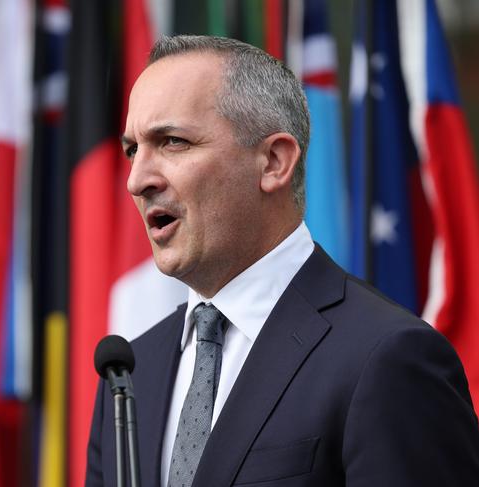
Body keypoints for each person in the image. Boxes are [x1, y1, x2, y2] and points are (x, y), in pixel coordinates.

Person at [85, 35, 479, 487]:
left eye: (172, 142)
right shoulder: (131, 371)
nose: (137, 180)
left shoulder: (388, 358)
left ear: (274, 161)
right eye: (132, 149)